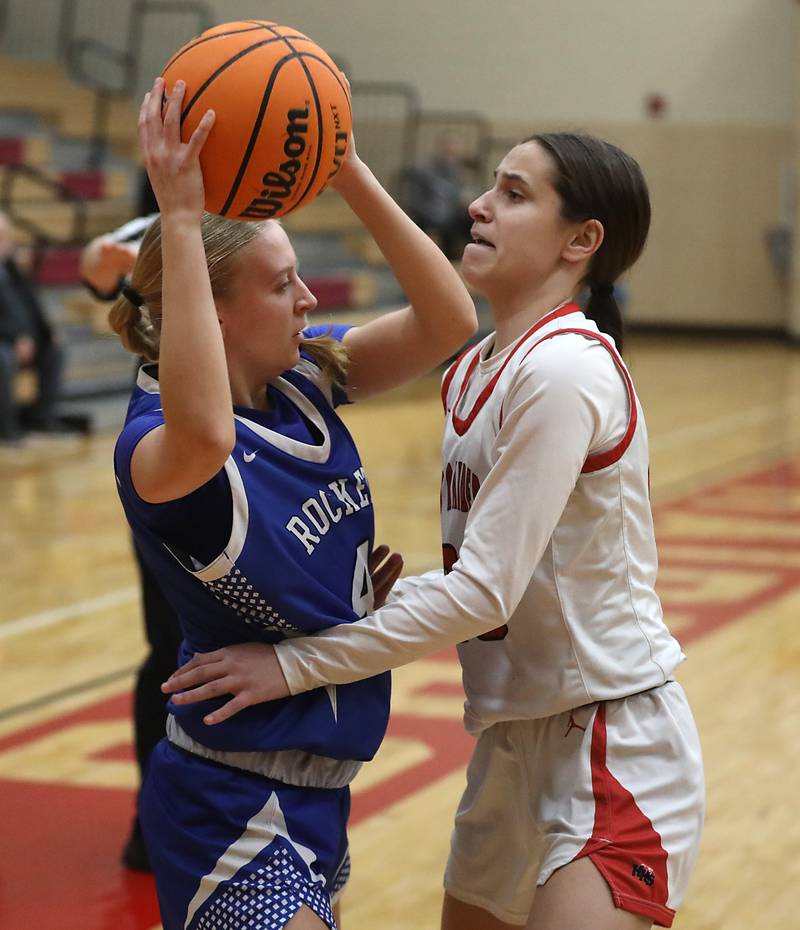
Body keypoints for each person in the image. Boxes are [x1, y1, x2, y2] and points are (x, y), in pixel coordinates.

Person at [164, 132, 705, 930]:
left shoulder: (564, 370)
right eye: (492, 187)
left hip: (609, 739)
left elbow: (482, 593)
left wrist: (294, 665)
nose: (480, 206)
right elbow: (485, 580)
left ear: (581, 241)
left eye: (516, 195)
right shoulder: (479, 365)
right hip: (512, 742)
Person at [113, 76, 476, 930]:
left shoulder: (306, 378)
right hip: (228, 799)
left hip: (322, 790)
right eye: (282, 286)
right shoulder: (155, 442)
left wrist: (345, 167)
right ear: (217, 311)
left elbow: (449, 318)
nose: (309, 300)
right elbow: (206, 435)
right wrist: (178, 212)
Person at [81, 211, 180, 873]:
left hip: (258, 439)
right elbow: (95, 266)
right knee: (169, 647)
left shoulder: (263, 222)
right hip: (168, 448)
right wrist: (109, 256)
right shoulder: (160, 222)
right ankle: (154, 819)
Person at [0, 211, 67, 444]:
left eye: (6, 236)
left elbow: (32, 303)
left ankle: (43, 418)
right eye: (1, 237)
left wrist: (48, 331)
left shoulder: (13, 269)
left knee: (54, 351)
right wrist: (14, 337)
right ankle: (7, 428)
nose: (7, 243)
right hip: (6, 342)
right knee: (3, 360)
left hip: (23, 340)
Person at [400, 131, 475, 260]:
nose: (452, 157)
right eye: (449, 153)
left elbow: (459, 194)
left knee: (471, 221)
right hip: (429, 213)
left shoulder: (457, 172)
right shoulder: (427, 170)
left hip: (451, 213)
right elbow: (420, 197)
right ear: (442, 151)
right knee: (448, 225)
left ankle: (463, 260)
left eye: (455, 154)